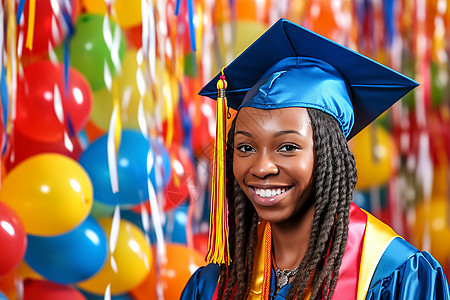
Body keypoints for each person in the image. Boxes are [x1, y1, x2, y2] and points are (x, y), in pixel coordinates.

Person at [181, 18, 450, 300]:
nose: (261, 167)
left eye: (287, 147)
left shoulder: (393, 274)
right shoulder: (215, 284)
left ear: (328, 156)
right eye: (245, 148)